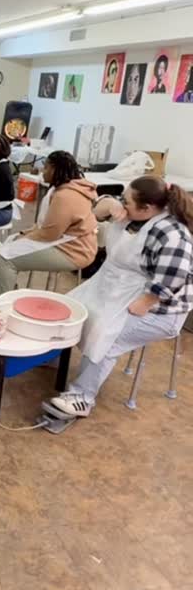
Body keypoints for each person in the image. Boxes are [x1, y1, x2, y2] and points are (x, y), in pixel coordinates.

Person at [51, 177, 193, 418]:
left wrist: (147, 302)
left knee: (106, 334)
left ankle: (82, 397)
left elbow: (174, 276)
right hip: (120, 288)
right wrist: (110, 205)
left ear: (146, 208)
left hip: (161, 309)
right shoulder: (135, 215)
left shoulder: (172, 234)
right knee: (72, 308)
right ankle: (52, 356)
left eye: (126, 202)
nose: (122, 204)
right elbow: (98, 209)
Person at [0, 151, 98, 295]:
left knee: (5, 258)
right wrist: (24, 234)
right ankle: (7, 290)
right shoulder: (68, 187)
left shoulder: (65, 196)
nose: (42, 172)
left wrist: (24, 237)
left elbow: (49, 234)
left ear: (55, 170)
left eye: (46, 168)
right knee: (10, 241)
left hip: (74, 251)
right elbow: (46, 226)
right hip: (69, 240)